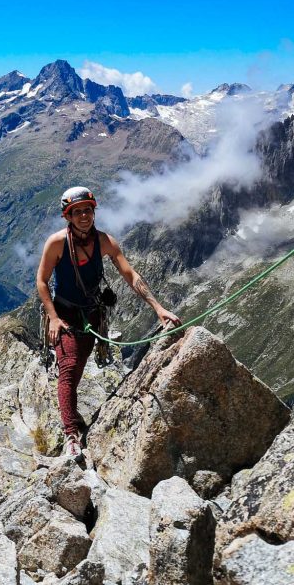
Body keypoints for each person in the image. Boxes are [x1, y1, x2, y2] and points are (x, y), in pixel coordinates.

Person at [36, 185, 181, 461]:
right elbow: (41, 281)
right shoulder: (56, 243)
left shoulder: (105, 242)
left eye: (87, 211)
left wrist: (158, 308)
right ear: (68, 216)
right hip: (65, 314)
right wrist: (53, 318)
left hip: (92, 314)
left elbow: (130, 275)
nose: (84, 216)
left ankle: (70, 412)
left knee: (78, 365)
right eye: (77, 212)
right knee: (69, 367)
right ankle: (71, 434)